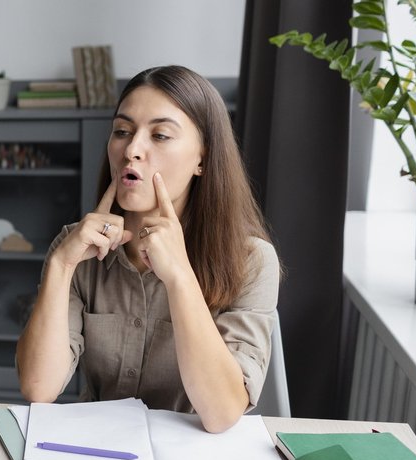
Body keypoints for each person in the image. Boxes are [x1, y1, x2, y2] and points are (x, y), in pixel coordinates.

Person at [16, 65, 280, 434]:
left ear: (202, 158)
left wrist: (179, 276)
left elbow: (222, 413)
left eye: (160, 135)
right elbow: (38, 388)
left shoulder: (252, 261)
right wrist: (62, 264)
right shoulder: (76, 249)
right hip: (94, 451)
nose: (132, 150)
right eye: (122, 132)